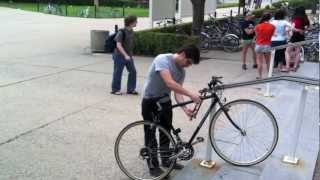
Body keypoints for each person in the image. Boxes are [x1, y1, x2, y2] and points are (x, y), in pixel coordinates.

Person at [142, 44, 201, 176]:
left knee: (166, 132)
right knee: (150, 134)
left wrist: (185, 109)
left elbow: (176, 91)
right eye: (189, 62)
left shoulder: (181, 71)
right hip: (150, 100)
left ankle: (166, 160)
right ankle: (153, 166)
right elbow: (169, 82)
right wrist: (191, 94)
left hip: (164, 101)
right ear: (183, 54)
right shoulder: (162, 59)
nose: (188, 66)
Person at [111, 15, 138, 95]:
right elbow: (118, 45)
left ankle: (131, 89)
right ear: (131, 22)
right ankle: (115, 90)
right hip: (119, 56)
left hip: (128, 56)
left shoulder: (131, 31)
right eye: (135, 21)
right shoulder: (121, 32)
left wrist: (129, 55)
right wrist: (125, 55)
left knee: (133, 71)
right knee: (118, 72)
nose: (137, 22)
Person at [287, 6, 310, 71]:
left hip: (295, 36)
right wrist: (303, 30)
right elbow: (308, 27)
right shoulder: (305, 18)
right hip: (301, 36)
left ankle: (288, 66)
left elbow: (292, 28)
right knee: (298, 51)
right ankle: (295, 67)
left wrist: (298, 30)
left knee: (287, 51)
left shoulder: (296, 18)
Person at [254, 13, 275, 79]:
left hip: (259, 45)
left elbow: (256, 36)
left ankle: (259, 76)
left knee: (259, 61)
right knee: (268, 61)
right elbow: (272, 35)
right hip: (267, 45)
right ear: (269, 18)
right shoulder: (272, 26)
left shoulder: (258, 26)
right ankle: (269, 75)